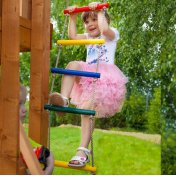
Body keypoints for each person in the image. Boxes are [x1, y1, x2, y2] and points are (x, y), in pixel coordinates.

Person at [49, 2, 128, 167]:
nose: (90, 24)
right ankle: (64, 99)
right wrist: (72, 17)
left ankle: (82, 151)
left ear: (103, 19)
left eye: (94, 20)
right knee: (72, 65)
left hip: (104, 78)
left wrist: (99, 11)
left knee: (87, 110)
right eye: (87, 22)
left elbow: (104, 29)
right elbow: (72, 36)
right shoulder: (88, 37)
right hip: (88, 73)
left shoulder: (111, 34)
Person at [19, 85, 54, 174]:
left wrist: (45, 152)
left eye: (24, 103)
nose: (25, 109)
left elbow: (31, 144)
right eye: (19, 104)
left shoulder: (19, 132)